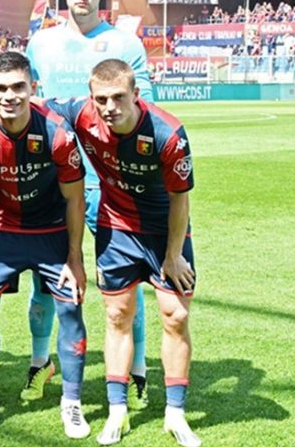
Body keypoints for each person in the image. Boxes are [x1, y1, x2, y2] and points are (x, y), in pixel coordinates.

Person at [44, 60, 199, 447]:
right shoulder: (81, 113)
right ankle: (117, 410)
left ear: (136, 95)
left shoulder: (167, 133)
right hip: (116, 228)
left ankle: (175, 414)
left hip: (164, 231)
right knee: (117, 315)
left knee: (176, 316)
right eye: (101, 99)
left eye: (118, 97)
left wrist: (174, 255)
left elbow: (181, 200)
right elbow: (34, 103)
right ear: (91, 97)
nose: (109, 107)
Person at [23, 0, 155, 409]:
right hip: (50, 182)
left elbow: (145, 106)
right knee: (45, 281)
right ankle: (40, 363)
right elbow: (25, 100)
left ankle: (137, 371)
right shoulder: (41, 42)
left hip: (110, 183)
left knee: (125, 282)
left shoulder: (124, 43)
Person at [0, 52, 89, 437]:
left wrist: (75, 259)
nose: (9, 96)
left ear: (33, 88)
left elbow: (75, 199)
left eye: (18, 87)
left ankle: (72, 403)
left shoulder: (57, 133)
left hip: (51, 232)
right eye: (0, 88)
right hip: (2, 230)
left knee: (70, 307)